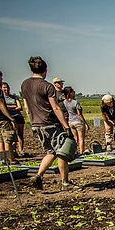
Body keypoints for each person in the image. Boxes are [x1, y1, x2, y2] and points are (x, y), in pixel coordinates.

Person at [20, 56, 76, 189]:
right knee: (62, 151)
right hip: (49, 123)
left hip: (35, 124)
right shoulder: (47, 86)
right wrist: (66, 126)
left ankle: (38, 176)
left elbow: (27, 107)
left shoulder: (25, 85)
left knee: (51, 152)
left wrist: (32, 122)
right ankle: (65, 182)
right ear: (45, 70)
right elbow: (56, 108)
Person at [0, 82, 26, 156]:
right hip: (10, 117)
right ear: (1, 88)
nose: (6, 89)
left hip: (19, 116)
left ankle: (21, 150)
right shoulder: (1, 98)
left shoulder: (14, 97)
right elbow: (2, 107)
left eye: (7, 87)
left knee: (20, 134)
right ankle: (13, 150)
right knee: (13, 134)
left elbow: (20, 107)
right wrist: (14, 107)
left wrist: (9, 107)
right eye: (4, 87)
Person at [63, 87, 88, 154]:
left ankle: (75, 151)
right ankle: (81, 152)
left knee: (75, 138)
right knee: (81, 139)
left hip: (70, 122)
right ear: (70, 93)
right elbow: (79, 114)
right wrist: (85, 123)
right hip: (78, 121)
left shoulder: (64, 102)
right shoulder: (75, 102)